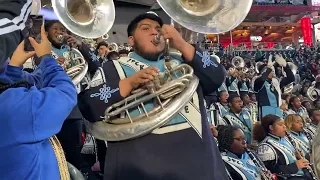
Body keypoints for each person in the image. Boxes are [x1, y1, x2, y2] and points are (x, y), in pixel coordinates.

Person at [78, 12, 228, 180]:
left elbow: (217, 77)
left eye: (158, 29)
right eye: (145, 28)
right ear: (131, 40)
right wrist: (129, 83)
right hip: (140, 169)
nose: (154, 32)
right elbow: (87, 105)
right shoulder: (112, 68)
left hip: (202, 168)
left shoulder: (185, 63)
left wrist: (182, 43)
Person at [0, 25, 77, 179]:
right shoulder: (18, 107)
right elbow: (66, 93)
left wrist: (13, 68)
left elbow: (23, 84)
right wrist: (47, 59)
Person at [254, 115, 313, 180]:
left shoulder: (284, 139)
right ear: (271, 127)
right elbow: (270, 171)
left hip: (302, 175)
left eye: (284, 124)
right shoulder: (265, 147)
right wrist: (295, 166)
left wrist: (297, 156)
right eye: (280, 124)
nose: (284, 127)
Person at [253, 55, 295, 119]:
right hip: (265, 110)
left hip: (277, 109)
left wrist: (286, 66)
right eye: (270, 69)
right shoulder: (257, 79)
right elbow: (261, 80)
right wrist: (268, 68)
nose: (272, 70)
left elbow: (291, 79)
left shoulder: (276, 81)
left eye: (272, 69)